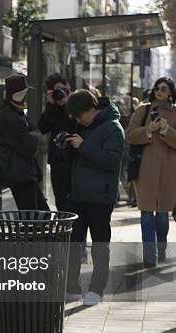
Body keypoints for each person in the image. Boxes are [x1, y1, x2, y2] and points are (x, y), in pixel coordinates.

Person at [64, 90, 125, 306]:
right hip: (79, 194)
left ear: (92, 109)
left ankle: (97, 289)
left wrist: (83, 145)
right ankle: (71, 286)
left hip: (101, 196)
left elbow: (112, 161)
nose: (78, 120)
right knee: (74, 242)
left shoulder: (112, 128)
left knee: (100, 244)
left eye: (80, 116)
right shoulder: (85, 125)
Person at [126, 77, 176, 266]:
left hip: (169, 173)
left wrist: (166, 130)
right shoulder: (143, 109)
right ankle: (150, 255)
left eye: (164, 88)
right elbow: (130, 135)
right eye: (157, 88)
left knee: (162, 216)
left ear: (170, 92)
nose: (159, 91)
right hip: (145, 171)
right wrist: (149, 129)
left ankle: (161, 246)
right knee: (147, 214)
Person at [0, 74, 49, 211]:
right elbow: (29, 146)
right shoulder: (10, 116)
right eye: (25, 93)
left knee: (40, 216)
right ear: (19, 94)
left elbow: (31, 132)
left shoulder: (14, 113)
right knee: (33, 219)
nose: (27, 96)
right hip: (20, 173)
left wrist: (32, 133)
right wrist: (34, 134)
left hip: (22, 172)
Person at [38, 73, 77, 212]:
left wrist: (67, 104)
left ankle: (76, 232)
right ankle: (64, 231)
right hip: (57, 161)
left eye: (63, 89)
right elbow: (42, 127)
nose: (60, 93)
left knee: (74, 201)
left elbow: (78, 125)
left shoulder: (75, 105)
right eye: (57, 90)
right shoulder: (52, 108)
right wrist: (51, 104)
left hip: (74, 159)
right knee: (60, 200)